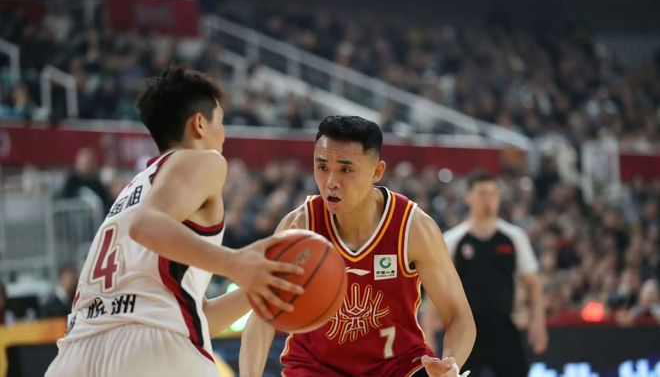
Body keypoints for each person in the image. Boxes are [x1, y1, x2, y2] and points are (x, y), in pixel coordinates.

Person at [46, 66, 304, 376]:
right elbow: (146, 226)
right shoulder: (203, 160)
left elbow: (198, 317)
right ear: (199, 124)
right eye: (221, 122)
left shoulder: (135, 189)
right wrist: (236, 263)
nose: (224, 135)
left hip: (75, 354)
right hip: (149, 349)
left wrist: (263, 282)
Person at [240, 115, 476, 377]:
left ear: (377, 171)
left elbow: (459, 316)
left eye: (345, 170)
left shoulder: (413, 228)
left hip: (397, 368)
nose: (331, 181)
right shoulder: (299, 226)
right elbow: (262, 316)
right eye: (322, 166)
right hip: (313, 369)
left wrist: (450, 364)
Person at [422, 171, 548, 377]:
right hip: (464, 329)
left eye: (493, 193)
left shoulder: (514, 237)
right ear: (468, 197)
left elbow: (533, 282)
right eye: (482, 193)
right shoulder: (453, 239)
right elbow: (436, 287)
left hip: (503, 326)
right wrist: (428, 331)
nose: (488, 199)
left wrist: (538, 323)